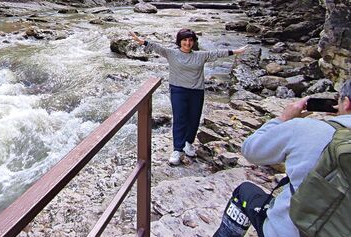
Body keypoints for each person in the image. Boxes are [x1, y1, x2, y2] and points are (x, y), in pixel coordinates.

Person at [213, 79, 351, 237]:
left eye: (338, 98)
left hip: (288, 231)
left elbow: (251, 150)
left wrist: (284, 118)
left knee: (243, 193)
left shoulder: (308, 128)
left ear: (346, 103)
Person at [131, 29, 247, 165]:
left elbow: (216, 53)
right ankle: (177, 149)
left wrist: (236, 51)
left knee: (194, 119)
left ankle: (188, 143)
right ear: (179, 41)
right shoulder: (172, 54)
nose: (187, 43)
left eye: (190, 40)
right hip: (178, 90)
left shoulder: (200, 56)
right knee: (180, 119)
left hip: (196, 91)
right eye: (185, 40)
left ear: (193, 42)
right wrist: (141, 41)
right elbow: (157, 48)